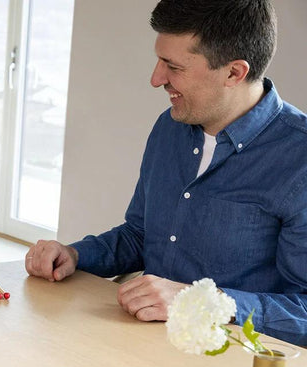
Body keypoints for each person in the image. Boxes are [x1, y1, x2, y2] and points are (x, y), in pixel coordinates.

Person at [25, 0, 307, 345]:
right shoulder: (170, 126)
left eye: (173, 67)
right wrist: (76, 255)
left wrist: (201, 302)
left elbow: (302, 311)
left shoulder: (299, 160)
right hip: (140, 345)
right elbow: (142, 235)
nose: (156, 79)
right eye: (160, 60)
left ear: (234, 72)